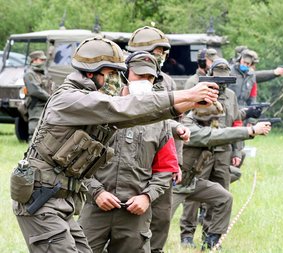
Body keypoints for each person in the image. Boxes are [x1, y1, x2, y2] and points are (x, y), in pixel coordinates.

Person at [10, 36, 219, 253]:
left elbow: (132, 117)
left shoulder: (85, 100)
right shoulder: (70, 99)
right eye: (110, 74)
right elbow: (120, 108)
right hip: (41, 201)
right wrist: (187, 93)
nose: (114, 80)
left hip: (60, 201)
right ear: (91, 72)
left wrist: (187, 103)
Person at [78, 52, 181, 253]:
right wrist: (96, 192)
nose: (145, 81)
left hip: (135, 214)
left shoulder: (160, 121)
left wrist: (147, 197)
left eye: (150, 78)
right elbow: (78, 162)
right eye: (139, 76)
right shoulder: (102, 109)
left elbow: (165, 169)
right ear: (125, 75)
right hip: (95, 208)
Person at [179, 58, 263, 248]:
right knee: (192, 192)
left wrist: (237, 150)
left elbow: (235, 123)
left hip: (223, 152)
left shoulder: (231, 96)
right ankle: (187, 235)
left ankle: (211, 238)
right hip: (202, 152)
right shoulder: (200, 92)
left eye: (225, 81)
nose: (221, 85)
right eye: (218, 80)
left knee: (220, 194)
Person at [173, 103, 271, 250]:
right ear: (201, 117)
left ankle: (212, 241)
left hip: (189, 182)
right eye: (213, 119)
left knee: (224, 198)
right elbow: (212, 136)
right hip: (172, 186)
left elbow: (222, 132)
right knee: (157, 225)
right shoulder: (187, 127)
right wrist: (250, 130)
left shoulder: (203, 126)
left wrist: (250, 132)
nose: (216, 122)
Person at [126, 26, 190, 253]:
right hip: (129, 157)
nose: (163, 56)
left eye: (164, 51)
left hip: (160, 158)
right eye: (158, 51)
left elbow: (176, 126)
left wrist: (177, 163)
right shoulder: (121, 79)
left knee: (162, 215)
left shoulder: (168, 83)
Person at [23, 50, 53, 142]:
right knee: (34, 133)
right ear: (34, 60)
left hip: (46, 106)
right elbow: (34, 91)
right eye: (41, 59)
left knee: (45, 134)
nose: (44, 62)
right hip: (36, 107)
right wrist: (50, 98)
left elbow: (52, 87)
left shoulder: (44, 74)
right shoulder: (29, 74)